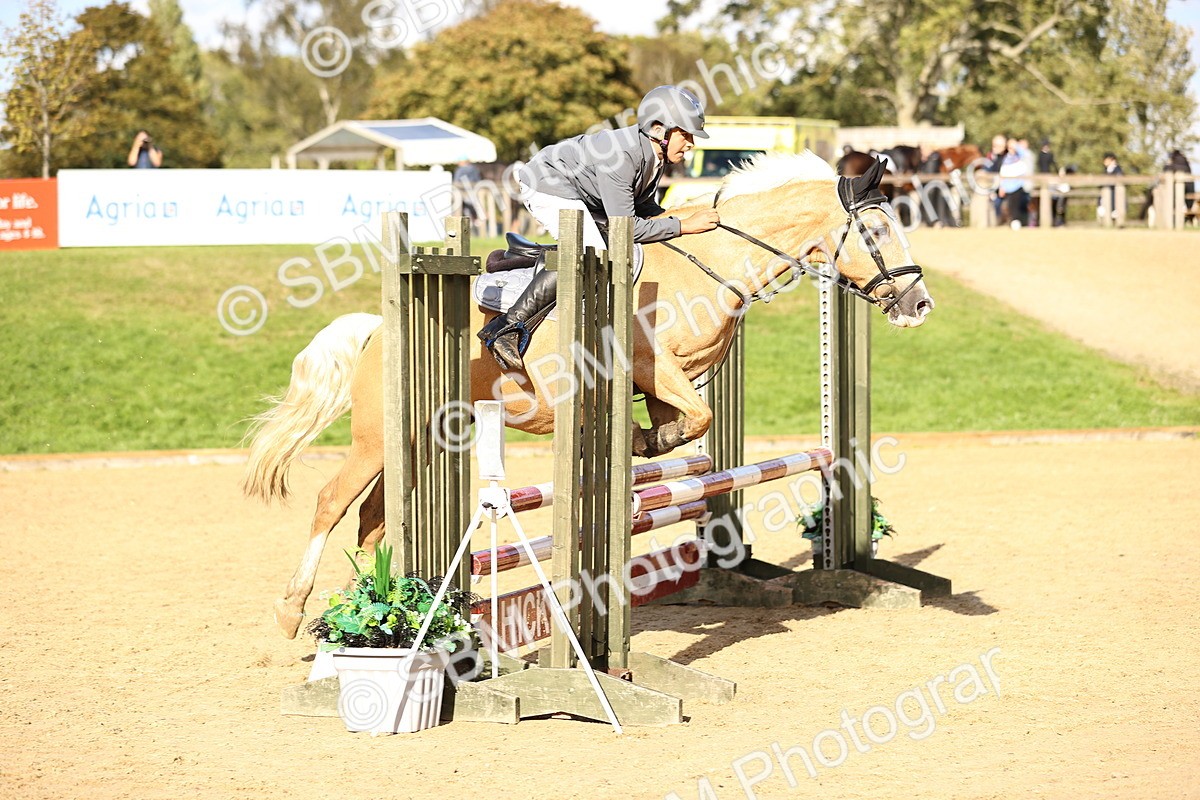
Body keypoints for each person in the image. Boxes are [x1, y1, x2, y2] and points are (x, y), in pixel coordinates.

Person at [478, 85, 720, 372]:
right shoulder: (625, 156)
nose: (691, 142)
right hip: (548, 184)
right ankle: (505, 328)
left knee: (602, 245)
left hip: (580, 193)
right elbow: (625, 230)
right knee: (589, 251)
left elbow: (644, 208)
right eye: (686, 133)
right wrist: (682, 226)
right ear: (659, 129)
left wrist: (681, 218)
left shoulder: (654, 157)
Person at [998, 137, 1031, 228]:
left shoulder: (1019, 156)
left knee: (1016, 206)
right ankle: (1011, 221)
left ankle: (1016, 221)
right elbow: (1003, 173)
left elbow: (1023, 153)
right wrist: (1002, 186)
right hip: (1008, 186)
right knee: (1009, 206)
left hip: (1017, 185)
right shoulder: (1006, 158)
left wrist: (1015, 145)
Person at [1098, 152, 1123, 221]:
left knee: (1114, 214)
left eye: (1106, 159)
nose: (1104, 161)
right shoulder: (1106, 170)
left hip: (1115, 197)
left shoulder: (1117, 169)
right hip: (1105, 196)